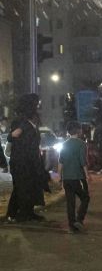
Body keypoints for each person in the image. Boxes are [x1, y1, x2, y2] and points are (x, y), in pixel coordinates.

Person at [5, 94, 48, 223]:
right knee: (21, 187)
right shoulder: (20, 122)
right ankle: (16, 214)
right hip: (21, 162)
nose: (38, 106)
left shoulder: (30, 123)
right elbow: (12, 137)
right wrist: (12, 135)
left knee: (30, 187)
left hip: (30, 161)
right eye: (36, 104)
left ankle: (28, 212)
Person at [58, 121, 90, 234]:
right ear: (79, 131)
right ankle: (79, 220)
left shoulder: (64, 144)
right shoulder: (82, 144)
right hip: (78, 177)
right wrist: (87, 175)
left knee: (70, 202)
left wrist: (59, 177)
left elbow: (60, 162)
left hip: (66, 178)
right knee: (85, 198)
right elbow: (83, 162)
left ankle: (72, 226)